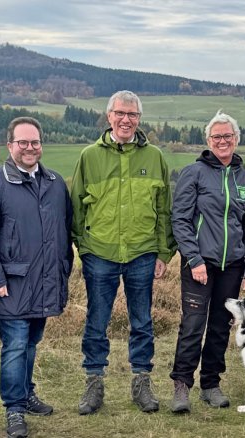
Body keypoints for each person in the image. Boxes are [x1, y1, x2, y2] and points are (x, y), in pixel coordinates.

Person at [70, 90, 176, 414]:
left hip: (142, 253)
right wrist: (84, 248)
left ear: (139, 119)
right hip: (99, 253)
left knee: (142, 321)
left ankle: (142, 382)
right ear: (109, 116)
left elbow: (164, 210)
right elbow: (76, 207)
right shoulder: (89, 156)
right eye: (120, 113)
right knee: (96, 321)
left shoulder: (155, 157)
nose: (126, 120)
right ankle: (94, 382)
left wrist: (163, 253)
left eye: (132, 115)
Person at [0, 117, 73, 438]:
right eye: (22, 142)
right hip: (11, 283)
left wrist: (63, 271)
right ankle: (14, 408)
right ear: (9, 145)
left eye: (35, 142)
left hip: (46, 281)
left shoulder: (55, 183)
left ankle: (26, 395)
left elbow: (64, 232)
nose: (30, 148)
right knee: (14, 345)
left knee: (30, 343)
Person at [168, 111, 245, 413]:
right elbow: (180, 219)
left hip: (232, 267)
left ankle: (210, 384)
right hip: (199, 264)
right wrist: (193, 258)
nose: (223, 141)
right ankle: (182, 385)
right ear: (208, 141)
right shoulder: (193, 173)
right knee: (193, 325)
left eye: (228, 136)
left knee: (221, 326)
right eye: (217, 136)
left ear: (236, 139)